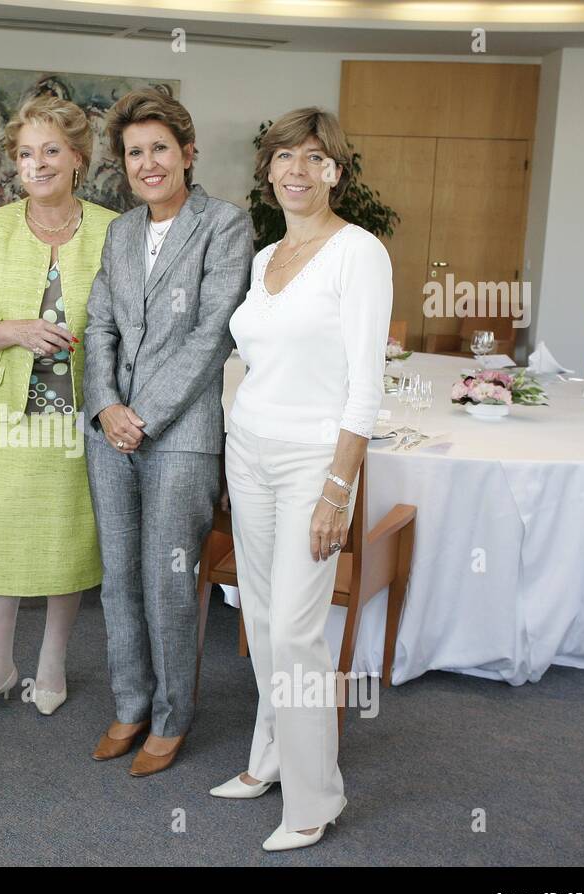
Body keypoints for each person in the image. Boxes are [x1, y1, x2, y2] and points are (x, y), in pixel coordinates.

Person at [212, 107, 391, 851]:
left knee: (295, 629)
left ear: (334, 172)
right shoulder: (265, 259)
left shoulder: (359, 253)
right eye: (283, 157)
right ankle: (269, 757)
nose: (294, 170)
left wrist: (338, 491)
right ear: (270, 171)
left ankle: (318, 797)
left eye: (311, 158)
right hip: (247, 447)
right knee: (259, 618)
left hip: (314, 460)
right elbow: (256, 363)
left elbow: (364, 385)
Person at [83, 88, 251, 776]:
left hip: (180, 433)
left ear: (187, 154)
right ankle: (131, 702)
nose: (147, 164)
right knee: (118, 576)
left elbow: (212, 335)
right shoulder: (121, 232)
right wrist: (104, 406)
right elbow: (99, 326)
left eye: (159, 149)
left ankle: (175, 714)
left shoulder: (225, 224)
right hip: (109, 430)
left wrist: (140, 414)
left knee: (169, 578)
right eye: (134, 153)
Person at [0, 93, 118, 725]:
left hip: (80, 418)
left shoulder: (110, 231)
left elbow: (128, 326)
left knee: (67, 538)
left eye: (50, 151)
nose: (35, 164)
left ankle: (51, 662)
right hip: (8, 417)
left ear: (76, 158)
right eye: (24, 153)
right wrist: (11, 330)